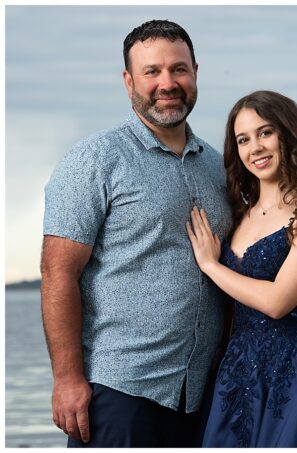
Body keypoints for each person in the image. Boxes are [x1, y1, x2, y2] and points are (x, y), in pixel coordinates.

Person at [41, 20, 231, 447]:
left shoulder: (219, 168)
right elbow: (58, 274)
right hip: (120, 388)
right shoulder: (94, 160)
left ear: (196, 73)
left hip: (202, 392)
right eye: (152, 72)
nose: (168, 83)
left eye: (178, 69)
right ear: (129, 81)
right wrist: (67, 379)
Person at [185, 90, 297, 447]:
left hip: (296, 375)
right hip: (235, 375)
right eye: (243, 140)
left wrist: (210, 264)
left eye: (265, 133)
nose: (255, 148)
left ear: (289, 133)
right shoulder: (240, 215)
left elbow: (278, 301)